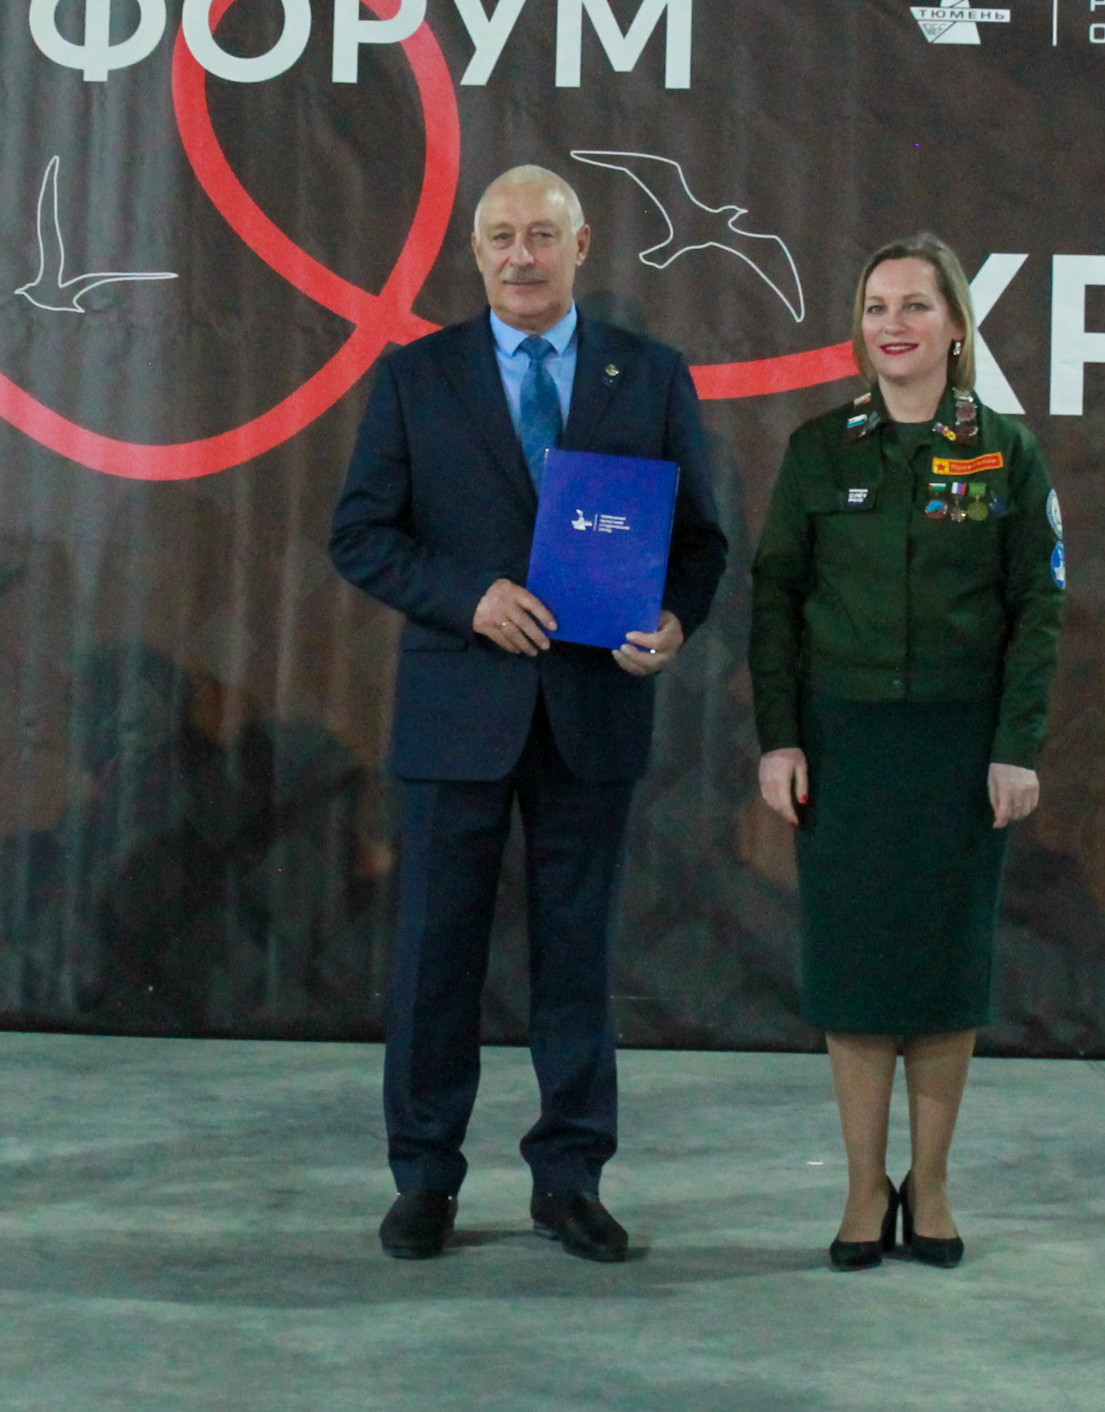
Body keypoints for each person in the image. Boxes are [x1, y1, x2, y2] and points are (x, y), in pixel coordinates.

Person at [329, 164, 728, 1263]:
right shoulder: (415, 376)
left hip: (592, 710)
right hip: (457, 710)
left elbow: (699, 541)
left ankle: (570, 1179)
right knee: (434, 959)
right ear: (473, 251)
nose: (521, 255)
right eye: (501, 236)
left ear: (581, 245)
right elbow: (360, 534)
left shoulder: (649, 374)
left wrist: (675, 620)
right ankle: (423, 1178)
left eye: (541, 235)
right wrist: (467, 597)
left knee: (577, 960)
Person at [750, 231, 1064, 1271]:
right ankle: (861, 1188)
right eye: (876, 306)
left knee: (939, 971)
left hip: (958, 747)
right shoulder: (819, 449)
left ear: (956, 325)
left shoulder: (1005, 452)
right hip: (843, 745)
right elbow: (775, 600)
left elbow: (1037, 608)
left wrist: (1015, 745)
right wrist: (779, 736)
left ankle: (929, 1184)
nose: (893, 324)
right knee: (852, 973)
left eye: (915, 305)